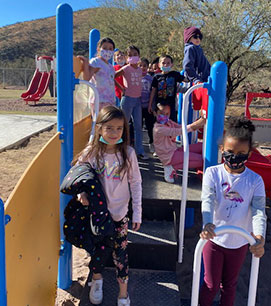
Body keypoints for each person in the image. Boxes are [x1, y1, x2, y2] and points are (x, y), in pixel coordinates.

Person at [75, 106, 142, 306]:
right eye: (109, 128)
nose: (114, 133)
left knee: (120, 254)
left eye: (119, 128)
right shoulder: (91, 152)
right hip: (96, 214)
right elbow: (78, 176)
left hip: (120, 215)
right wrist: (82, 193)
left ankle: (123, 293)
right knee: (97, 250)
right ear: (99, 129)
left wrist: (137, 212)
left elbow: (136, 183)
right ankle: (97, 281)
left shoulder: (128, 153)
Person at [199, 116, 266, 306]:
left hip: (238, 243)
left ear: (249, 154)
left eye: (240, 153)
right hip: (214, 239)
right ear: (222, 149)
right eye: (229, 151)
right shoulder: (213, 173)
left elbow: (259, 211)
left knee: (229, 285)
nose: (234, 157)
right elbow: (208, 200)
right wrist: (206, 223)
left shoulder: (255, 181)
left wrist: (259, 237)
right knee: (210, 284)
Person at [153, 103, 204, 183]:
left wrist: (196, 125)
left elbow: (181, 127)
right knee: (201, 160)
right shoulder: (158, 129)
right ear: (155, 113)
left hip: (174, 150)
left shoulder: (169, 122)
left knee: (201, 146)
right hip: (169, 156)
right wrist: (195, 125)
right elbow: (177, 131)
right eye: (162, 114)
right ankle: (171, 167)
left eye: (167, 114)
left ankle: (171, 166)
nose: (165, 116)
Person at [115, 45, 148, 160]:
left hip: (137, 100)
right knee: (123, 125)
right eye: (130, 55)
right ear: (127, 57)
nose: (133, 57)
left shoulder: (139, 69)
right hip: (127, 99)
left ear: (138, 56)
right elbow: (113, 76)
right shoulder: (125, 69)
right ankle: (121, 150)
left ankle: (139, 151)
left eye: (135, 54)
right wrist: (121, 88)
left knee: (138, 126)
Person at [78, 37, 120, 114]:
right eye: (104, 48)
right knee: (99, 124)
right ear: (98, 49)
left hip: (110, 100)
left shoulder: (110, 67)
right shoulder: (96, 62)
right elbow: (87, 78)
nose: (107, 51)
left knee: (108, 123)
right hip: (99, 101)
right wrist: (86, 64)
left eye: (110, 49)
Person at [148, 55, 186, 122]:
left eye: (168, 63)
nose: (165, 65)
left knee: (171, 122)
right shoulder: (157, 77)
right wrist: (150, 104)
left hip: (171, 104)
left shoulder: (174, 75)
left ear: (171, 65)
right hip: (160, 105)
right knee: (161, 123)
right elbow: (153, 91)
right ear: (159, 65)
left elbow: (186, 79)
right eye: (163, 63)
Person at [183, 27, 211, 114]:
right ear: (188, 38)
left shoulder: (198, 48)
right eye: (195, 37)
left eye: (200, 37)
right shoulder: (190, 48)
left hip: (204, 78)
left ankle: (202, 124)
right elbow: (187, 66)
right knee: (200, 106)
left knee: (206, 106)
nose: (198, 39)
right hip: (197, 79)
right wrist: (195, 79)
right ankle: (198, 124)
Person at [139, 57, 155, 154]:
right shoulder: (135, 77)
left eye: (145, 65)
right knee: (138, 127)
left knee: (150, 127)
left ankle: (152, 143)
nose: (143, 67)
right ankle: (139, 145)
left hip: (148, 107)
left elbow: (153, 93)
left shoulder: (150, 79)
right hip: (138, 107)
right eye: (140, 65)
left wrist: (151, 106)